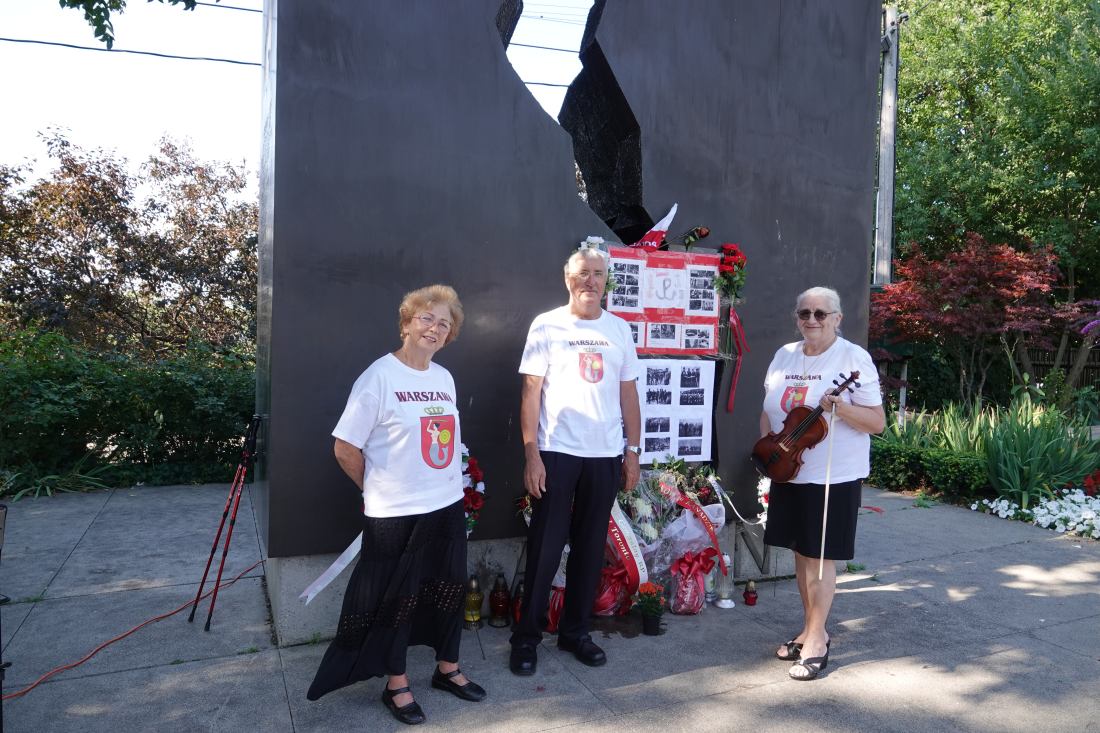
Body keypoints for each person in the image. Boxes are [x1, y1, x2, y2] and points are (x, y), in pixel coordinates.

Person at [307, 284, 485, 726]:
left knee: (448, 589)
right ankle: (397, 683)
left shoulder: (443, 378)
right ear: (406, 323)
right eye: (426, 318)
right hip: (394, 514)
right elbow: (345, 447)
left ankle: (447, 668)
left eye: (444, 323)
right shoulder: (379, 377)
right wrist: (376, 489)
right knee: (397, 600)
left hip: (445, 505)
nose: (434, 328)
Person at [509, 245, 642, 676]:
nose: (590, 280)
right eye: (583, 272)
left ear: (606, 281)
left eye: (598, 273)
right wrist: (532, 453)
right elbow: (530, 392)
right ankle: (526, 638)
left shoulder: (619, 329)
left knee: (590, 548)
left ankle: (575, 633)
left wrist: (633, 452)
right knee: (545, 547)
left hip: (604, 454)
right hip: (556, 452)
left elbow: (628, 393)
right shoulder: (546, 325)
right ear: (568, 278)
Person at [760, 286, 885, 681]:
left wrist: (841, 408)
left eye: (820, 313)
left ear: (837, 318)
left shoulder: (853, 358)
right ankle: (809, 628)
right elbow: (770, 411)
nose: (811, 320)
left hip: (833, 475)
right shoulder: (784, 355)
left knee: (819, 558)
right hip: (790, 471)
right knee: (801, 554)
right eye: (805, 313)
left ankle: (817, 640)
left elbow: (877, 423)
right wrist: (771, 452)